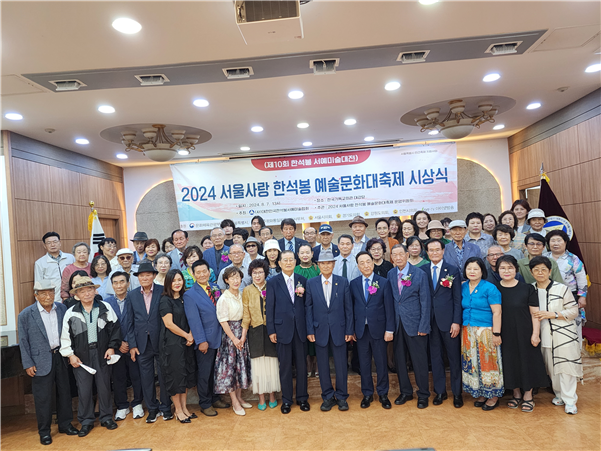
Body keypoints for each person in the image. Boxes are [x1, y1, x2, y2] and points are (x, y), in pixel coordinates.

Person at [19, 280, 78, 445]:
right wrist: (27, 363)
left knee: (65, 392)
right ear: (35, 295)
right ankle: (44, 431)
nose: (48, 296)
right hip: (39, 360)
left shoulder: (62, 309)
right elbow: (23, 342)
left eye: (51, 292)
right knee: (43, 397)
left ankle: (65, 424)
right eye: (43, 293)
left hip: (60, 355)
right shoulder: (26, 314)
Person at [60, 275, 121, 436]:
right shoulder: (70, 313)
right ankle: (86, 421)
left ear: (95, 291)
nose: (87, 293)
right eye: (82, 291)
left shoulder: (105, 307)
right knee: (84, 389)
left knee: (104, 386)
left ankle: (107, 417)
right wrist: (70, 355)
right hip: (81, 356)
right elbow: (65, 337)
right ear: (76, 295)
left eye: (90, 290)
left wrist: (112, 347)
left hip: (102, 353)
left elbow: (115, 329)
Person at [495, 255, 549, 413]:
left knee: (527, 362)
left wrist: (535, 333)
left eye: (510, 267)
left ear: (516, 270)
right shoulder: (494, 288)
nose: (506, 271)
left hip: (525, 331)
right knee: (509, 362)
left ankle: (528, 394)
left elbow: (535, 314)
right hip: (504, 332)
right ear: (497, 270)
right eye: (503, 268)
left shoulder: (527, 288)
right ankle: (516, 392)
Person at [530, 256, 582, 415]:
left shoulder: (562, 288)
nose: (540, 273)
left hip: (564, 333)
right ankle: (559, 395)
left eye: (543, 269)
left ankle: (570, 400)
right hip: (544, 334)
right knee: (552, 367)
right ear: (531, 273)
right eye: (536, 270)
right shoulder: (530, 289)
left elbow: (574, 311)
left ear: (550, 271)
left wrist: (552, 314)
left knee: (566, 366)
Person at [306, 249, 353, 412]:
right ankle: (327, 396)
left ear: (334, 264)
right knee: (323, 366)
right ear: (318, 265)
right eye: (322, 263)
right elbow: (308, 308)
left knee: (341, 365)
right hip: (319, 331)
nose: (326, 266)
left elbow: (349, 308)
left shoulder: (343, 281)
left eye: (329, 263)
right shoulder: (311, 283)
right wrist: (310, 329)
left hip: (340, 330)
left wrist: (349, 330)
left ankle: (341, 397)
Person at [125, 262, 173, 423]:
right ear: (137, 278)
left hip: (161, 341)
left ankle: (166, 408)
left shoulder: (162, 291)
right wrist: (132, 344)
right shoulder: (131, 296)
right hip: (140, 344)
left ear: (153, 276)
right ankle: (152, 409)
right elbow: (128, 322)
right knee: (146, 378)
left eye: (147, 275)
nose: (144, 278)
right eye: (141, 275)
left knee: (164, 376)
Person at [184, 260, 230, 417]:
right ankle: (205, 402)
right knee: (205, 373)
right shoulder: (189, 294)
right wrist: (201, 341)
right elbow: (194, 320)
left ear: (209, 272)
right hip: (206, 340)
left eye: (205, 271)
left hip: (221, 337)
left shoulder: (215, 287)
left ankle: (215, 397)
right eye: (198, 272)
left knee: (216, 372)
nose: (202, 274)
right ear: (193, 274)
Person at [420, 239, 463, 408]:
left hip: (449, 321)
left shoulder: (452, 270)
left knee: (453, 358)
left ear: (443, 250)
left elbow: (457, 298)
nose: (434, 253)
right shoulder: (421, 270)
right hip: (430, 322)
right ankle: (440, 392)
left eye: (437, 249)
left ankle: (457, 393)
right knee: (435, 358)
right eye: (431, 250)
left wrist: (456, 321)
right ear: (427, 252)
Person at [265, 250, 310, 414]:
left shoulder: (302, 280)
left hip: (300, 329)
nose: (289, 262)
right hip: (281, 329)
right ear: (279, 263)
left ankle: (303, 398)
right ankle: (286, 400)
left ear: (295, 262)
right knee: (284, 367)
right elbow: (269, 308)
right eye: (285, 260)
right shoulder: (273, 282)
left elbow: (306, 307)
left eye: (291, 259)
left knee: (301, 366)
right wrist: (271, 330)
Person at [386, 245, 431, 409]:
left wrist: (424, 324)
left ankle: (423, 394)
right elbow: (392, 301)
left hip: (416, 324)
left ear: (406, 255)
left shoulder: (419, 274)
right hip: (397, 325)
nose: (398, 257)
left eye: (400, 254)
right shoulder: (390, 274)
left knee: (419, 361)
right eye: (394, 255)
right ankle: (405, 391)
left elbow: (426, 301)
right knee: (399, 360)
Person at [351, 251, 395, 409]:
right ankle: (367, 393)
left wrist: (390, 329)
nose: (365, 265)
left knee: (381, 362)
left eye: (368, 261)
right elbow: (352, 309)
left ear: (373, 262)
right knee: (364, 364)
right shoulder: (354, 283)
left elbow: (389, 308)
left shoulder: (383, 282)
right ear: (358, 266)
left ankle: (383, 393)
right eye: (361, 263)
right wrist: (352, 329)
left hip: (379, 329)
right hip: (361, 330)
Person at [460, 257, 504, 411]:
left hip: (486, 330)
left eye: (476, 269)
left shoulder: (489, 288)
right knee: (473, 362)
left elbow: (497, 312)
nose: (472, 272)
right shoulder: (463, 287)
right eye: (469, 268)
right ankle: (481, 391)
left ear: (482, 271)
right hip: (468, 330)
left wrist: (496, 333)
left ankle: (493, 395)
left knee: (488, 362)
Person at [104, 271, 144, 422]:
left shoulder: (135, 299)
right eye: (116, 282)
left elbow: (137, 322)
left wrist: (129, 342)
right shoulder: (107, 303)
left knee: (136, 375)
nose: (119, 285)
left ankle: (138, 403)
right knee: (118, 377)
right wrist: (119, 343)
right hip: (115, 347)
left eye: (122, 282)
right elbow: (106, 327)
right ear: (112, 285)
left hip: (134, 345)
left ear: (128, 283)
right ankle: (122, 406)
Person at [242, 259, 280, 411]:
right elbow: (246, 314)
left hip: (271, 330)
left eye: (260, 272)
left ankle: (272, 395)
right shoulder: (247, 290)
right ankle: (261, 397)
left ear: (266, 273)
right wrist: (243, 334)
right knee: (258, 366)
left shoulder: (272, 287)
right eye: (254, 273)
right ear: (250, 274)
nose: (257, 275)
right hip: (255, 331)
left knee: (272, 364)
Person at [159, 270, 197, 423]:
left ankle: (185, 407)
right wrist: (187, 335)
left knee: (185, 375)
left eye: (179, 280)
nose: (177, 283)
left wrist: (191, 334)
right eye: (173, 280)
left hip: (186, 342)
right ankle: (178, 410)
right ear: (168, 282)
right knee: (175, 377)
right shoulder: (165, 300)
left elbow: (191, 318)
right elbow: (169, 324)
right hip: (172, 344)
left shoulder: (184, 298)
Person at [215, 266, 252, 415]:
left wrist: (243, 336)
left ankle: (240, 398)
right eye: (232, 278)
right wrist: (234, 339)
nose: (236, 281)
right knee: (230, 369)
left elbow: (246, 317)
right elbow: (223, 321)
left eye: (238, 277)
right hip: (230, 337)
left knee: (240, 367)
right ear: (226, 280)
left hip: (242, 333)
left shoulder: (242, 294)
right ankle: (234, 402)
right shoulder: (224, 298)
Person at [544, 229, 587, 346]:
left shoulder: (573, 259)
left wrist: (582, 297)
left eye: (559, 240)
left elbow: (581, 279)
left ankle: (575, 350)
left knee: (573, 322)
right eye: (552, 240)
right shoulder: (544, 257)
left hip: (570, 295)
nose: (555, 243)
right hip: (549, 296)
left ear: (565, 243)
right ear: (548, 243)